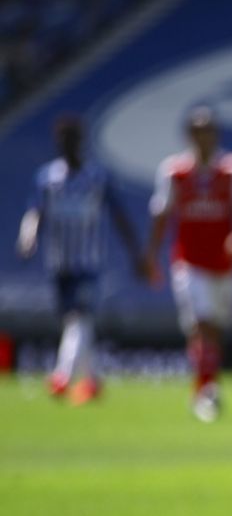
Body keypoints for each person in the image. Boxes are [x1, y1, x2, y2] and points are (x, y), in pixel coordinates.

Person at [15, 114, 145, 403]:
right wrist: (28, 236)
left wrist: (137, 252)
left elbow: (120, 215)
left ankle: (61, 376)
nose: (68, 146)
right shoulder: (48, 178)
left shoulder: (97, 177)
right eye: (63, 141)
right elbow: (35, 211)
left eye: (72, 140)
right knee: (71, 322)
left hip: (88, 263)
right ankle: (92, 380)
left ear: (80, 142)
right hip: (58, 262)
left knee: (79, 318)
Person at [143, 106, 232, 423]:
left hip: (222, 263)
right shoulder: (174, 172)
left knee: (214, 328)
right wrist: (152, 255)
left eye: (209, 130)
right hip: (188, 261)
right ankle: (207, 391)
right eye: (199, 130)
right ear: (190, 135)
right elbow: (162, 215)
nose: (205, 136)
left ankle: (203, 383)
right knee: (201, 323)